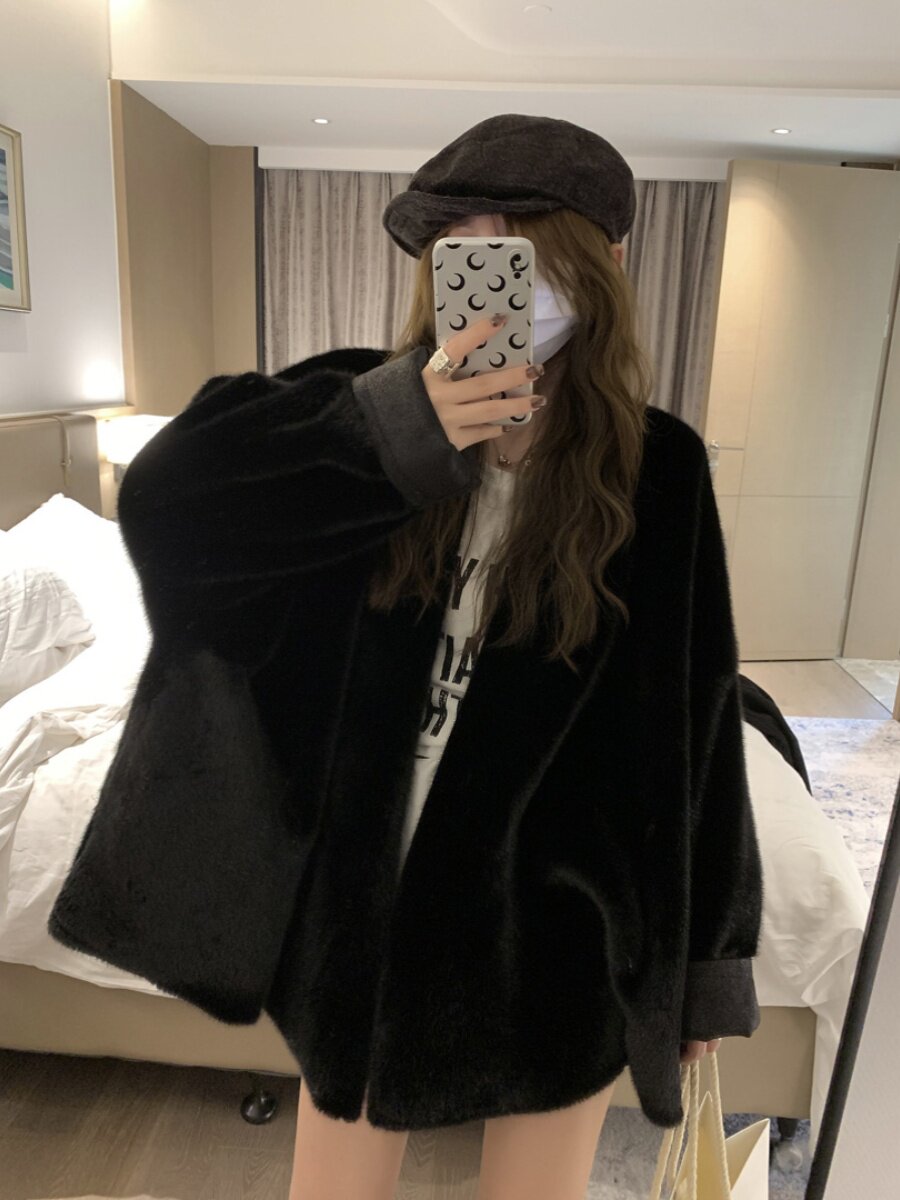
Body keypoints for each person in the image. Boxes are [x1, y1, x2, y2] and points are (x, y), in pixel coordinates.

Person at [47, 115, 761, 1200]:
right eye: (464, 242)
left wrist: (709, 959)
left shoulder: (657, 469)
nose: (496, 268)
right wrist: (392, 433)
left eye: (526, 244)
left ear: (606, 264)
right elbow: (168, 504)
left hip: (554, 923)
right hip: (362, 901)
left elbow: (698, 707)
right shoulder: (362, 404)